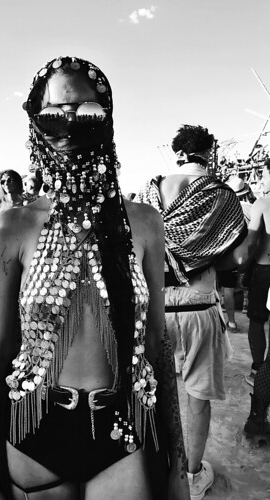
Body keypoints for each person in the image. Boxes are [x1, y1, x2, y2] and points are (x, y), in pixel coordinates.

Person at [0, 56, 189, 500]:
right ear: (36, 122)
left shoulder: (145, 222)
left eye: (88, 113)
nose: (70, 126)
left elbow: (157, 342)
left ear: (108, 119)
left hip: (122, 425)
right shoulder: (13, 225)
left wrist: (178, 464)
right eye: (55, 114)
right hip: (35, 426)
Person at [136, 124, 247, 500]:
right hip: (199, 306)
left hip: (155, 309)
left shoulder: (149, 194)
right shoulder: (220, 195)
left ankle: (152, 469)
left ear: (178, 152)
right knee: (196, 398)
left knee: (151, 393)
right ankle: (193, 476)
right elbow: (239, 254)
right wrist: (204, 252)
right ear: (209, 152)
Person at [242, 158, 270, 389]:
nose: (261, 179)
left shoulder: (263, 203)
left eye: (264, 174)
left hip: (264, 269)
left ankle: (258, 369)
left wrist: (243, 268)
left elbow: (252, 245)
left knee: (257, 321)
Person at [217, 176, 255, 331]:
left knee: (228, 288)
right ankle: (247, 306)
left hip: (229, 254)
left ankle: (231, 322)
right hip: (250, 252)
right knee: (249, 282)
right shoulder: (252, 207)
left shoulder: (224, 208)